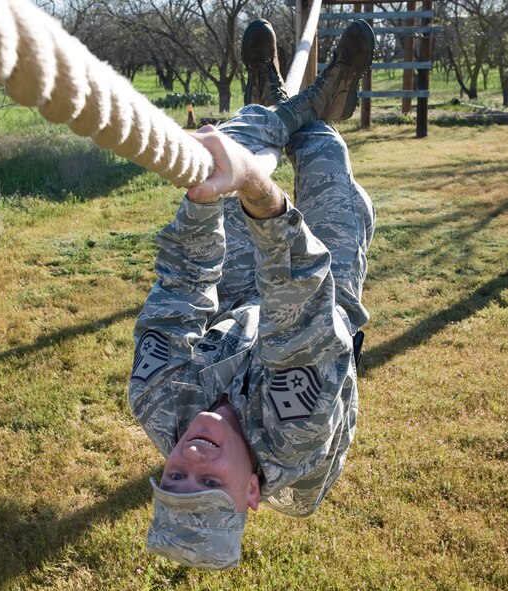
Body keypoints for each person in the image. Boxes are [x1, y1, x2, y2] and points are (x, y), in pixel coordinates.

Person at [128, 18, 376, 569]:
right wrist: (260, 197)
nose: (190, 456)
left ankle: (275, 97)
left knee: (229, 152)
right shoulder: (295, 436)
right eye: (208, 481)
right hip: (321, 318)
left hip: (238, 312)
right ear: (251, 494)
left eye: (174, 474)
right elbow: (303, 304)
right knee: (324, 158)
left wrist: (202, 200)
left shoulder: (157, 400)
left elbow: (180, 288)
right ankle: (312, 106)